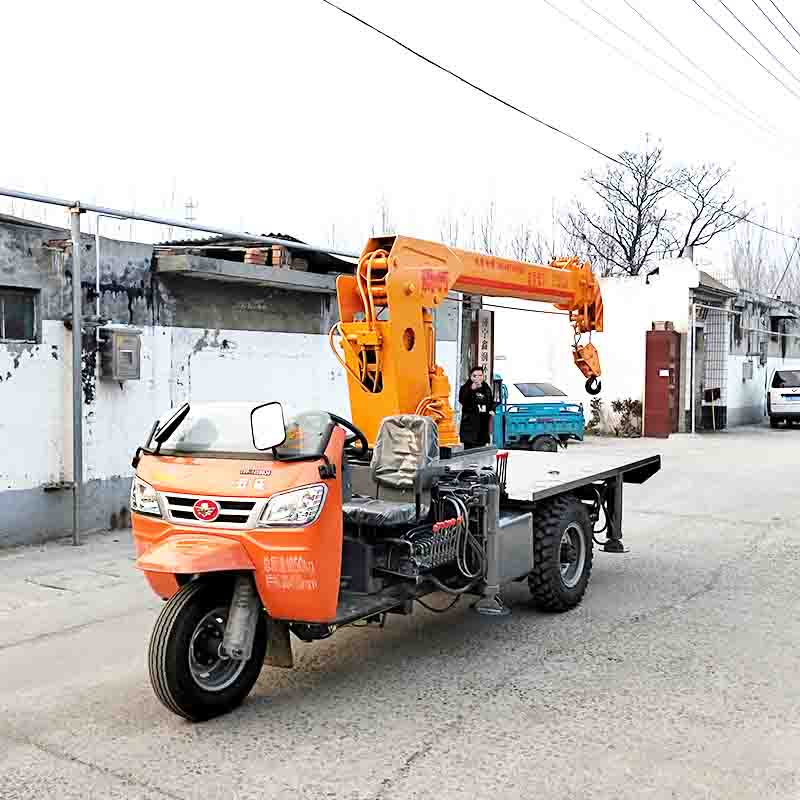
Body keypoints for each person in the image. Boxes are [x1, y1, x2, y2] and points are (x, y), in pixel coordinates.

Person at [458, 366, 495, 449]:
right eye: (475, 376)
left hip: (483, 427)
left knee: (480, 452)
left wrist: (492, 410)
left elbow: (491, 402)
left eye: (480, 375)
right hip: (470, 428)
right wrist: (471, 390)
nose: (478, 378)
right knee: (469, 453)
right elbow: (462, 400)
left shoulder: (486, 388)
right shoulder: (465, 388)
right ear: (470, 376)